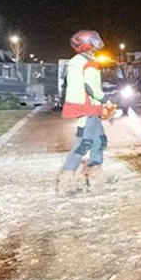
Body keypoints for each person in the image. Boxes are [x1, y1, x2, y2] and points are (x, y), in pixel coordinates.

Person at [56, 30, 115, 194]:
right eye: (94, 40)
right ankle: (65, 183)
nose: (97, 43)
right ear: (87, 43)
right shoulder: (88, 62)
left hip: (88, 107)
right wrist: (106, 101)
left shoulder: (78, 60)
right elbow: (91, 87)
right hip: (87, 107)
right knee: (83, 143)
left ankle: (96, 176)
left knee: (99, 140)